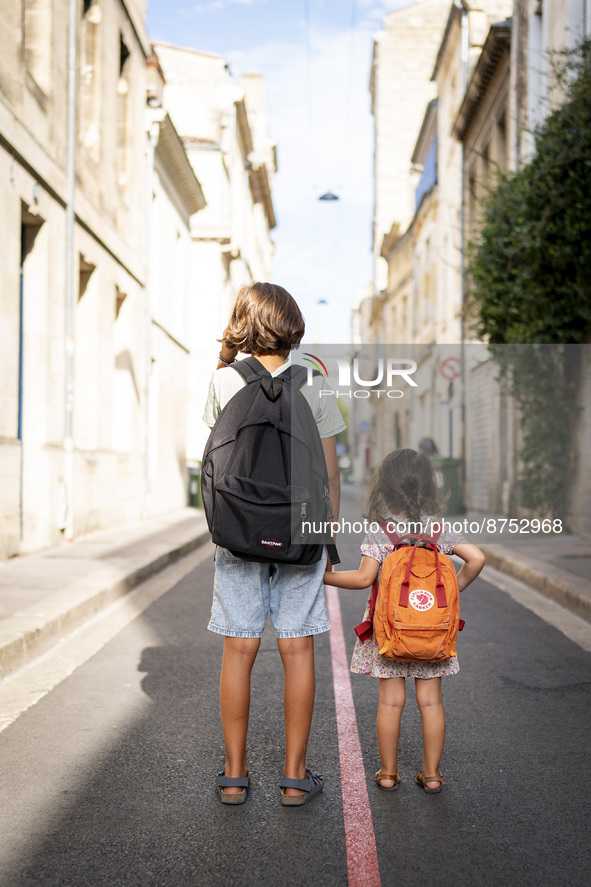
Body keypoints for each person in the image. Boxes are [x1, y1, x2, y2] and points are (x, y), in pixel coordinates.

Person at [203, 282, 346, 805]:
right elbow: (329, 471)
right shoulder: (315, 381)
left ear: (245, 324)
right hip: (299, 531)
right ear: (293, 328)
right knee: (298, 647)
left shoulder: (224, 382)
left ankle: (235, 777)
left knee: (239, 647)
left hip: (237, 532)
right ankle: (293, 777)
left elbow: (216, 460)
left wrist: (224, 353)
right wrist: (327, 534)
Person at [324, 448, 485, 793]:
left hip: (390, 632)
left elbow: (364, 578)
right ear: (428, 486)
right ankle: (431, 776)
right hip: (432, 634)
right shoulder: (439, 531)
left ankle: (387, 773)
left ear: (384, 488)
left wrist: (325, 577)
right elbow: (477, 558)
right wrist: (452, 590)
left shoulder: (382, 533)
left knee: (391, 702)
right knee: (431, 702)